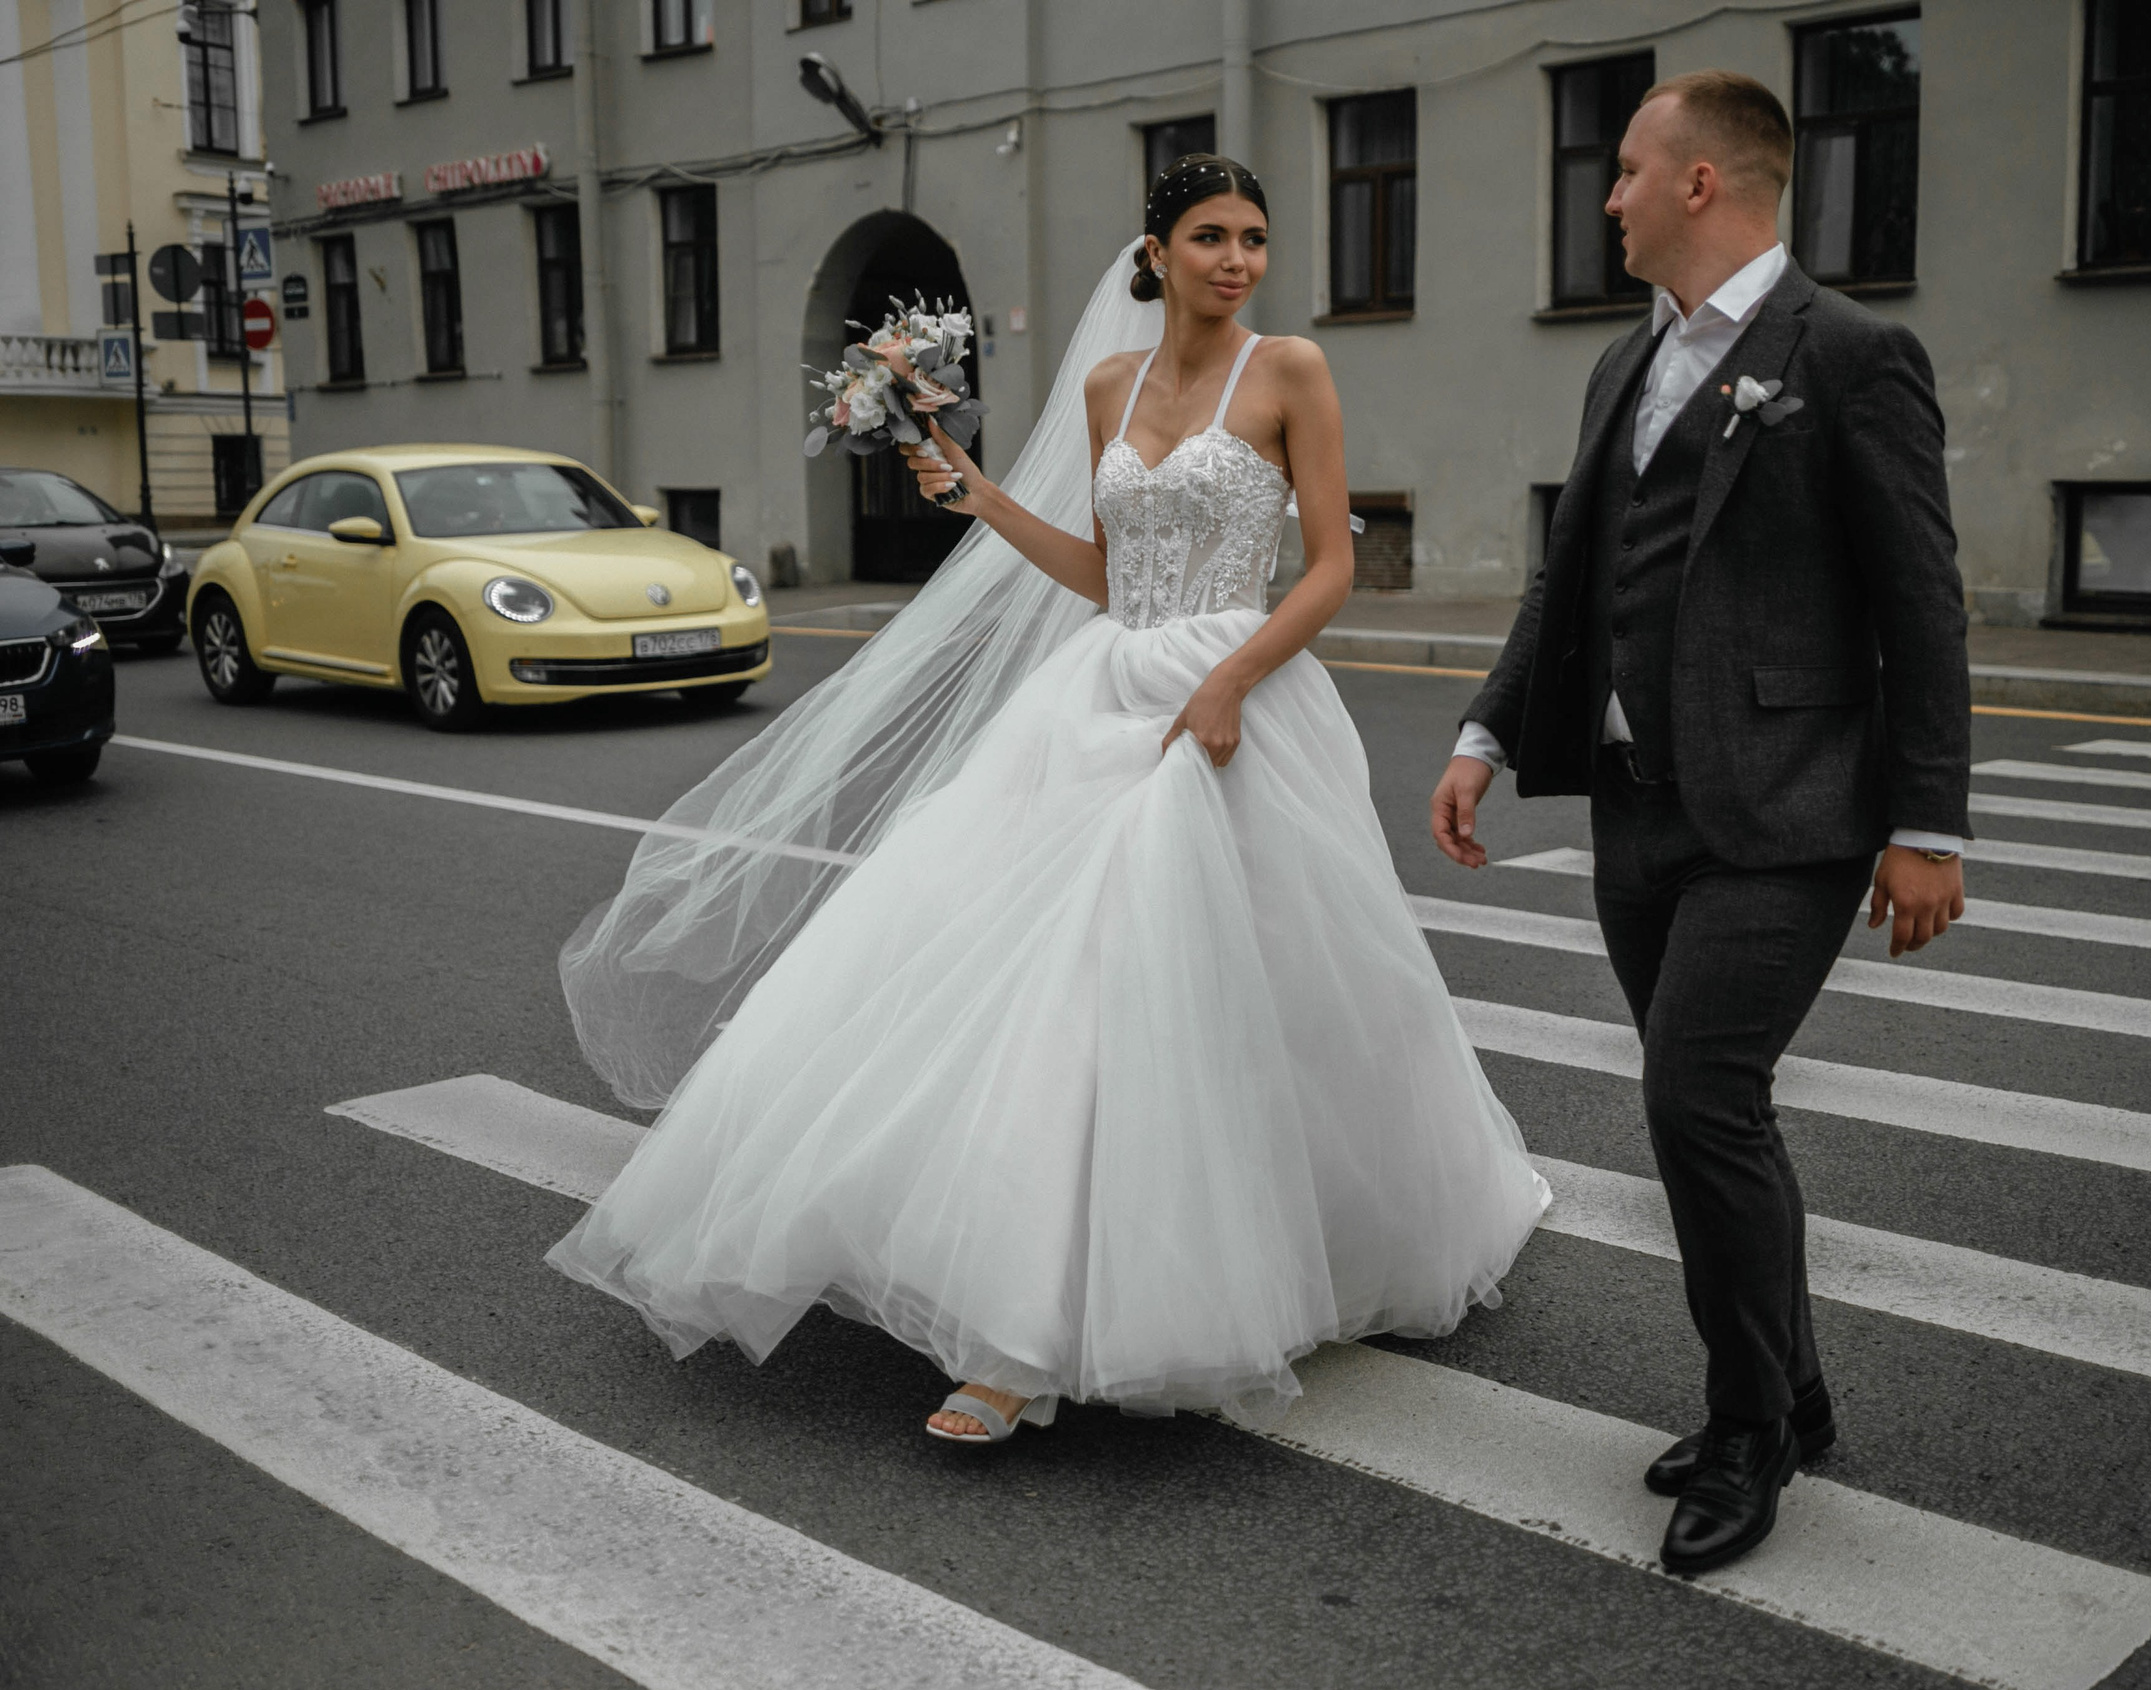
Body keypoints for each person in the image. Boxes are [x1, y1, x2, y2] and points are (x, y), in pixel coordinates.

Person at [549, 155, 1549, 1444]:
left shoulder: (1290, 370)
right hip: (1103, 689)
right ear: (1156, 249)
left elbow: (1333, 567)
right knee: (1044, 980)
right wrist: (980, 500)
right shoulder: (1106, 386)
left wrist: (1235, 677)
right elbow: (1105, 571)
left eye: (1252, 238)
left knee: (1229, 984)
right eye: (1209, 237)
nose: (1237, 260)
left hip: (1234, 691)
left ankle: (1253, 1252)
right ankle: (1016, 1324)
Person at [1429, 72, 1972, 1572]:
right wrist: (1486, 727)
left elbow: (1923, 602)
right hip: (1637, 811)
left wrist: (1930, 822)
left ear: (1701, 185)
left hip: (1790, 814)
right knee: (1716, 1118)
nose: (1602, 197)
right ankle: (1792, 1391)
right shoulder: (1625, 363)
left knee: (1694, 1100)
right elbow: (1570, 578)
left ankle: (1746, 1432)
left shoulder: (1851, 355)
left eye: (1623, 171)